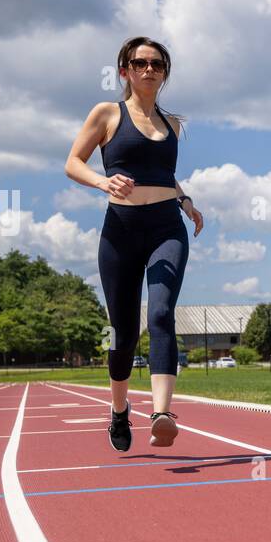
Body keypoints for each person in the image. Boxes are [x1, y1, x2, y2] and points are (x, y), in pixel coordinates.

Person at [65, 36, 204, 450]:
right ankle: (120, 410)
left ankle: (161, 413)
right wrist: (102, 181)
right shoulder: (107, 114)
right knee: (123, 333)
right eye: (140, 63)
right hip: (121, 230)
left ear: (165, 73)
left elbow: (161, 173)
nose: (149, 70)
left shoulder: (173, 124)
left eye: (157, 64)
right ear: (124, 70)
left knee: (161, 312)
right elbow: (73, 162)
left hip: (166, 228)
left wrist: (185, 199)